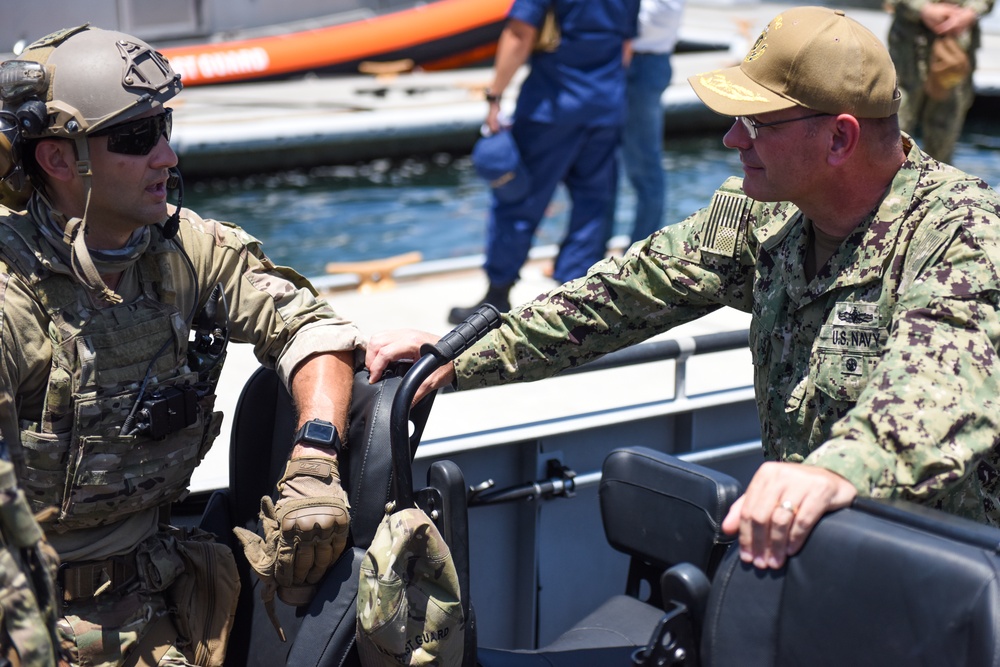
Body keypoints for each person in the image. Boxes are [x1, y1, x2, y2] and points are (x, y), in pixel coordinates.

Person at [369, 6, 1000, 573]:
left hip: (946, 588)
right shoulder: (769, 217)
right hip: (815, 566)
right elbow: (628, 289)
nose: (732, 140)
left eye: (756, 125)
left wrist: (836, 472)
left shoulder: (965, 237)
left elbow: (937, 389)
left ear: (839, 137)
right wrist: (460, 355)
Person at [0, 25, 362, 666]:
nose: (165, 156)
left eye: (163, 127)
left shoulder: (185, 251)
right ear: (58, 160)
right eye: (137, 140)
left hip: (169, 600)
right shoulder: (12, 301)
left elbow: (314, 330)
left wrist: (315, 456)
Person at [447, 0, 641, 324]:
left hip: (550, 108)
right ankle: (573, 299)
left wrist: (494, 96)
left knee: (519, 200)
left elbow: (520, 33)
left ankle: (496, 295)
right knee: (591, 205)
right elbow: (625, 47)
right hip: (604, 106)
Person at [887, 0, 994, 163]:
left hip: (956, 51)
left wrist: (969, 13)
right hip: (909, 48)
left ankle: (935, 185)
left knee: (944, 135)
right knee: (893, 128)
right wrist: (923, 9)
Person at [621, 0, 685, 245]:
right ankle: (589, 252)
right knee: (600, 163)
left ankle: (640, 251)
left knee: (645, 166)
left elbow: (659, 17)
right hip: (621, 60)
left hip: (643, 63)